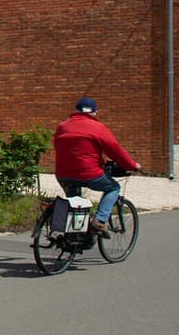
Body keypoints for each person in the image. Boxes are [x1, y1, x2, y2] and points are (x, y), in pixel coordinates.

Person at [54, 96, 140, 238]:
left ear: (76, 111)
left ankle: (73, 237)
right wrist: (131, 165)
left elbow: (58, 147)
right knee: (113, 188)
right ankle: (100, 220)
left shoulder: (62, 126)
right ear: (94, 113)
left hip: (63, 174)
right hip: (89, 174)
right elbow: (114, 149)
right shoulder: (98, 128)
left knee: (75, 204)